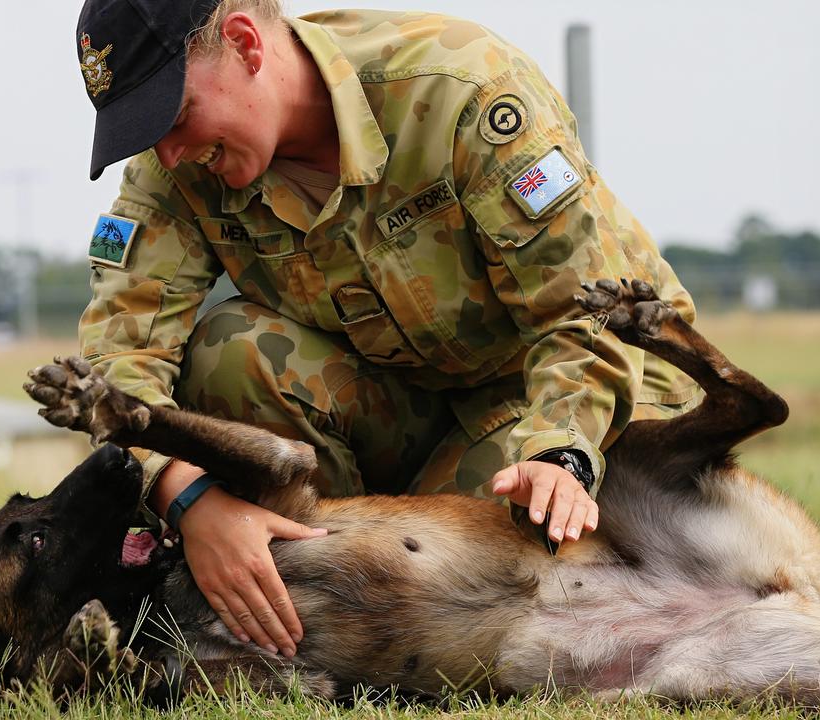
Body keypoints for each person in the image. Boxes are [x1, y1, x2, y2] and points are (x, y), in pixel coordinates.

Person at [73, 0, 700, 660]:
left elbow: (586, 310)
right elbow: (118, 364)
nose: (169, 154)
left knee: (490, 555)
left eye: (173, 116)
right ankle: (325, 590)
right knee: (232, 351)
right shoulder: (180, 171)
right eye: (147, 134)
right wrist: (188, 497)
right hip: (416, 401)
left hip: (572, 395)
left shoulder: (462, 90)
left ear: (245, 44)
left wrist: (561, 453)